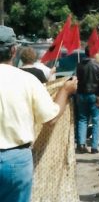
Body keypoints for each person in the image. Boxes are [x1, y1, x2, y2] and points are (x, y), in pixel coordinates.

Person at [0, 25, 78, 202]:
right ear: (14, 50)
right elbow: (50, 118)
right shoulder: (27, 80)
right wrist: (65, 91)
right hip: (16, 162)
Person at [75, 46, 99, 154]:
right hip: (94, 95)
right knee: (96, 120)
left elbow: (77, 78)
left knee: (82, 119)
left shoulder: (79, 65)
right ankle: (94, 146)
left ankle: (81, 144)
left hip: (81, 94)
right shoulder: (98, 65)